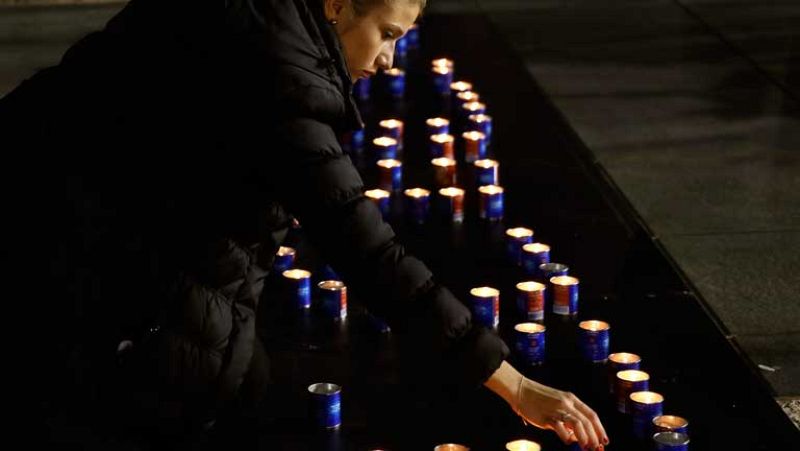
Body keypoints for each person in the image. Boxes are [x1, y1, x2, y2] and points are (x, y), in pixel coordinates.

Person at [1, 0, 608, 449]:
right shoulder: (281, 80)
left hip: (74, 251)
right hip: (110, 299)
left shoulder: (244, 18)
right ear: (338, 6)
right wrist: (513, 383)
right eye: (387, 35)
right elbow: (367, 249)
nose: (390, 60)